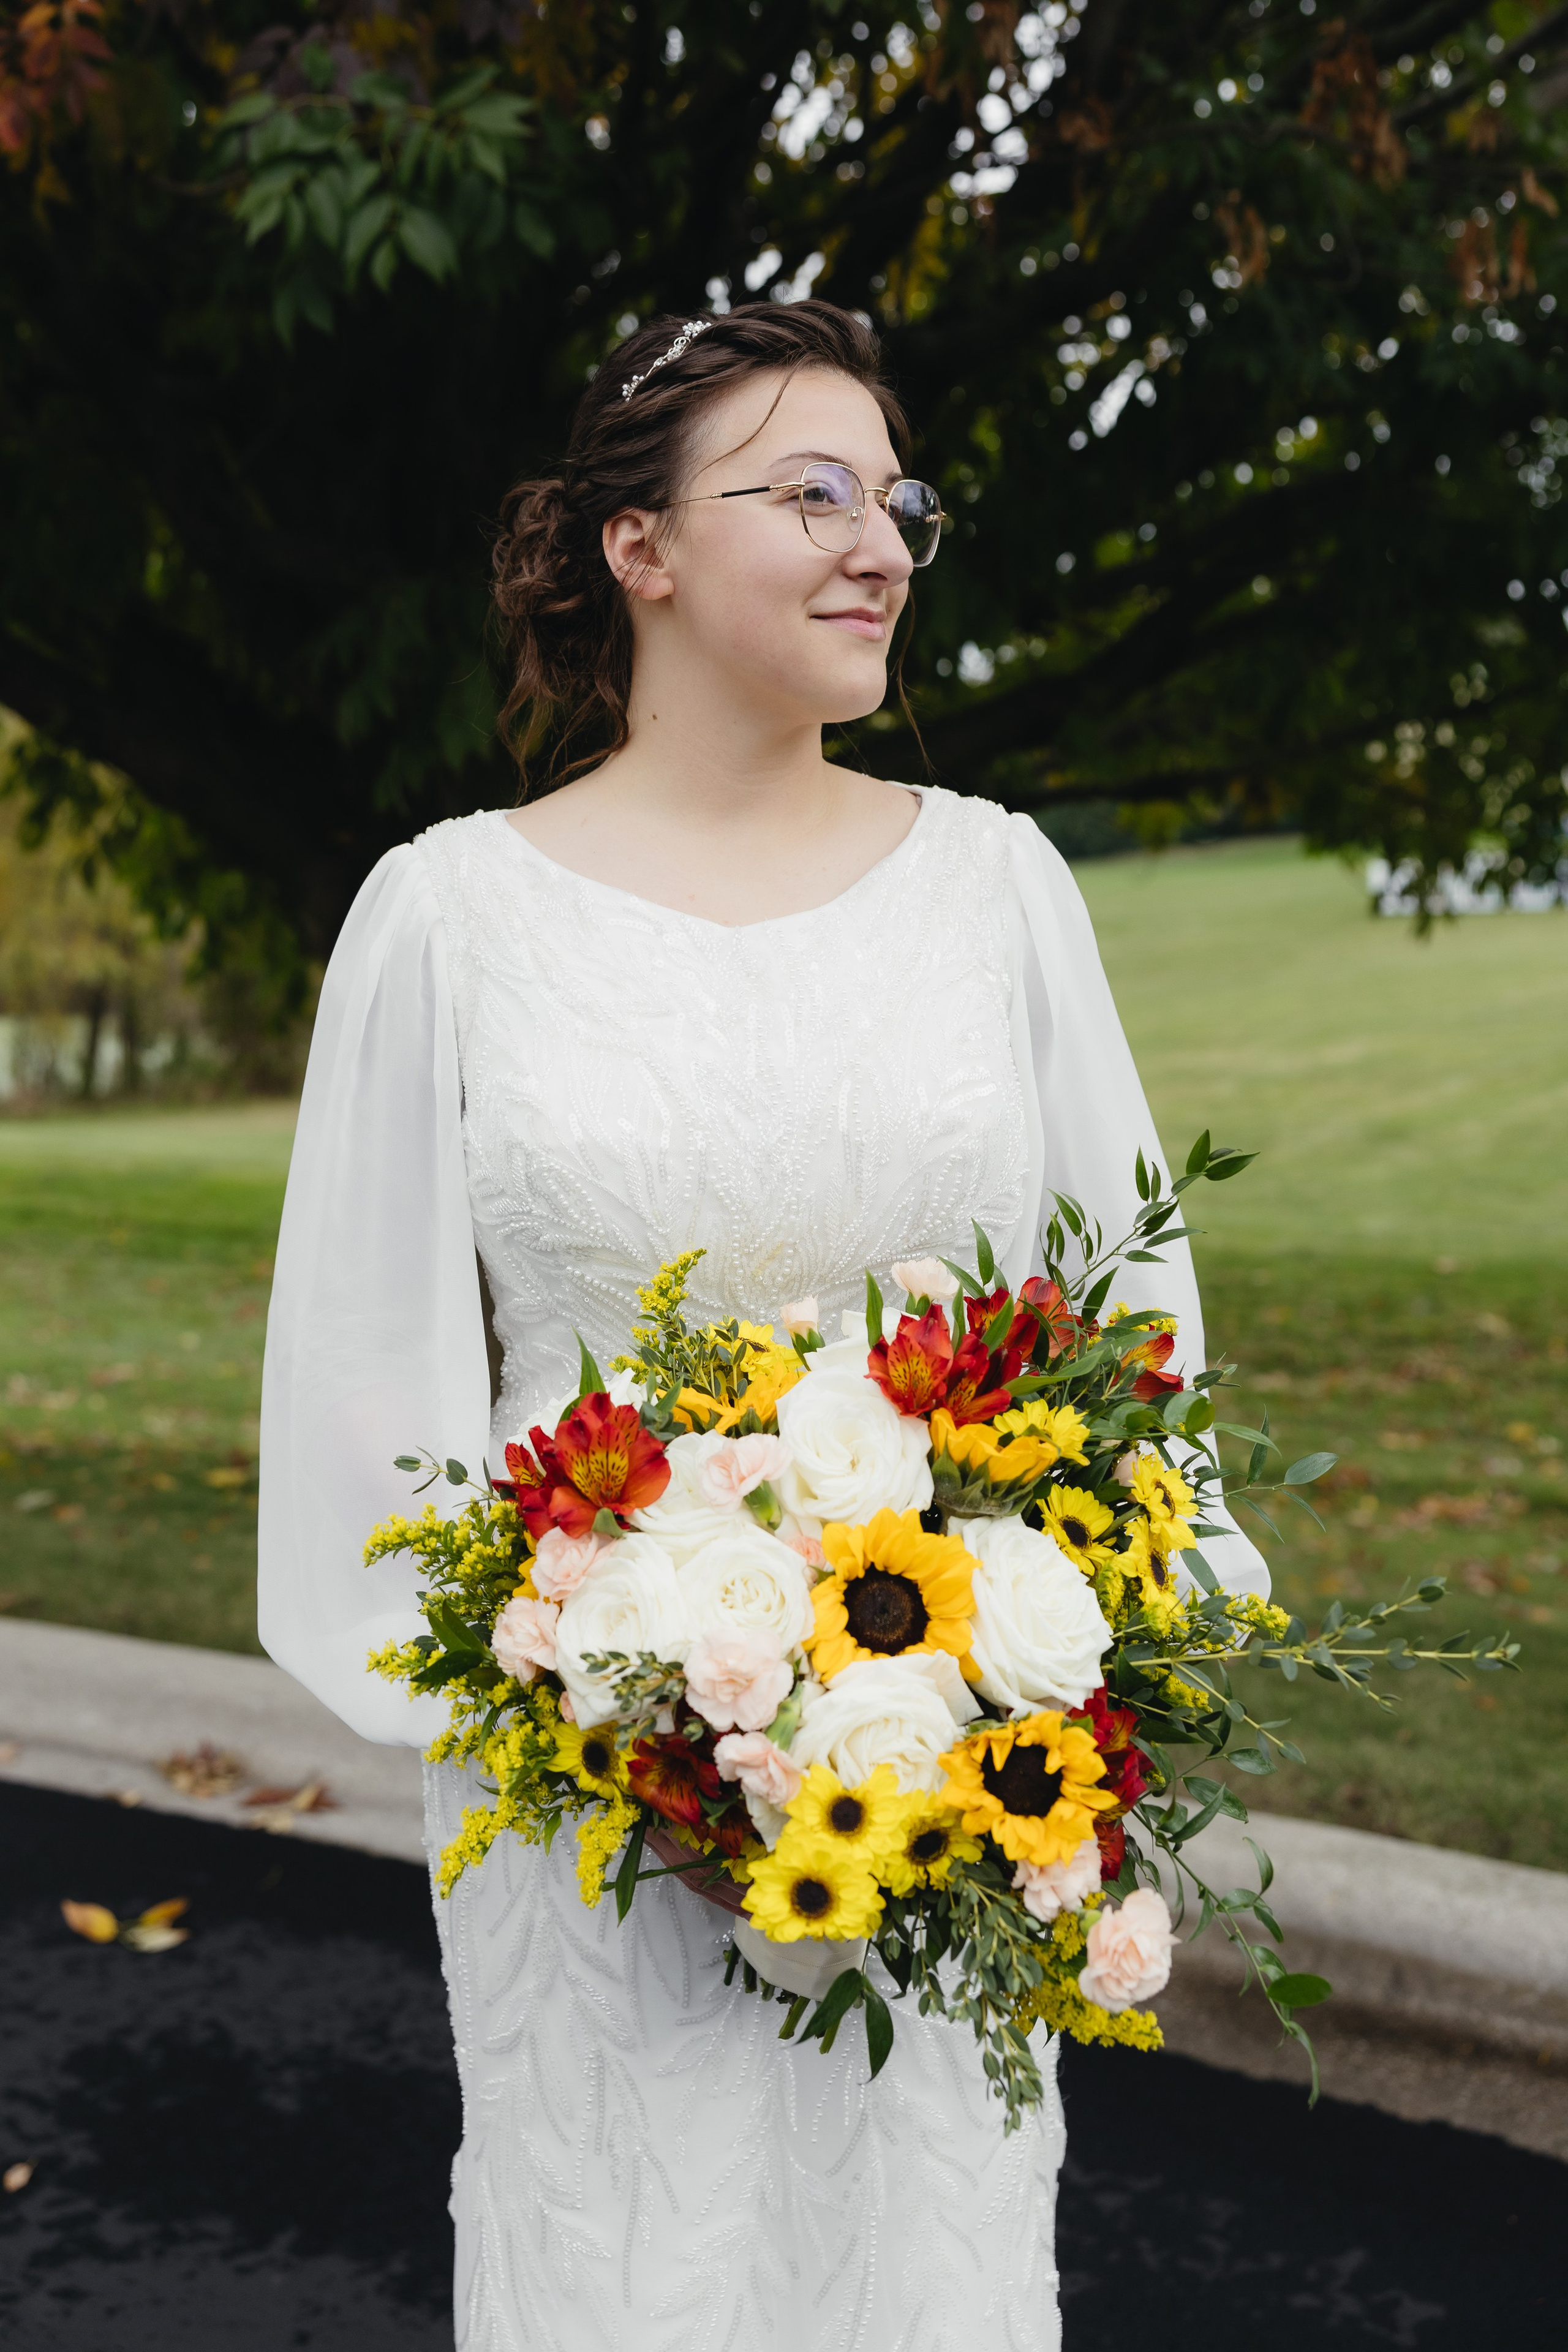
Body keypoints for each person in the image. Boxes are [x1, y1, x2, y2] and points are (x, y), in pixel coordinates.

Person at [258, 300, 1267, 2351]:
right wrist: (633, 1742)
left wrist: (1040, 1683)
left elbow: (1127, 1338)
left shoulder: (998, 890)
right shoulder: (446, 920)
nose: (879, 544)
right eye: (810, 494)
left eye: (897, 500)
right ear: (636, 545)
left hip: (954, 1794)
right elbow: (374, 1424)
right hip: (583, 1829)